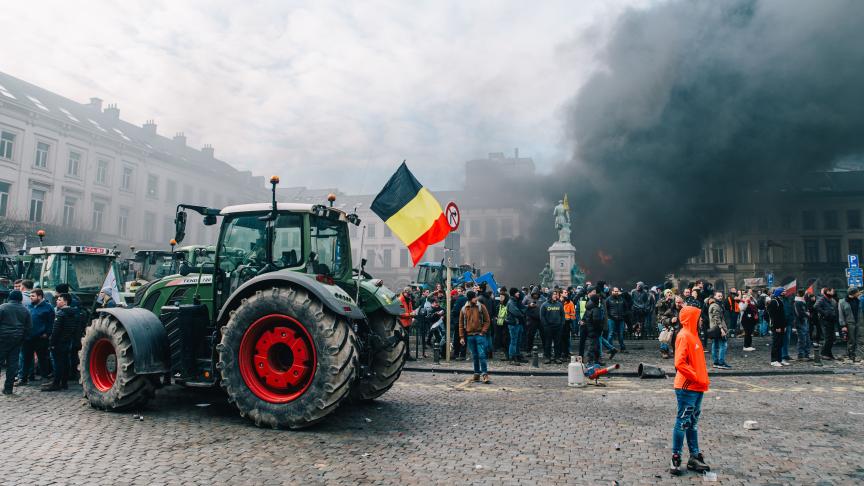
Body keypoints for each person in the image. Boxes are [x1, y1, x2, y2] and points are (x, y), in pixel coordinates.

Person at [669, 305, 711, 476]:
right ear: (691, 318)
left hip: (696, 386)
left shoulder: (692, 335)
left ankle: (694, 456)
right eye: (699, 316)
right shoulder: (685, 336)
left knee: (691, 423)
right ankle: (676, 456)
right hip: (688, 387)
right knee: (683, 422)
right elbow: (679, 363)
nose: (701, 319)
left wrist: (700, 379)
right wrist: (696, 376)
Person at [17, 288, 54, 385]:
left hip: (40, 338)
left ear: (40, 296)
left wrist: (47, 333)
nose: (31, 298)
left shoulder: (48, 307)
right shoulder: (29, 306)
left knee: (42, 359)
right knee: (26, 359)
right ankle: (23, 379)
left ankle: (44, 377)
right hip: (28, 338)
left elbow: (51, 322)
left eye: (33, 296)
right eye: (30, 296)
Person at [42, 293, 79, 391]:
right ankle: (64, 383)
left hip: (59, 342)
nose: (57, 301)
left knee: (58, 363)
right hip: (68, 341)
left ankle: (56, 383)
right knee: (66, 362)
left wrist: (51, 343)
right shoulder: (74, 313)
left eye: (59, 300)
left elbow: (56, 330)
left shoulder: (60, 313)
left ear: (65, 301)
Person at [0, 290, 32, 395]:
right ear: (21, 299)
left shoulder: (3, 307)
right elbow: (29, 327)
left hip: (3, 338)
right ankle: (8, 388)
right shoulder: (25, 310)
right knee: (13, 364)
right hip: (17, 339)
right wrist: (23, 338)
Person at [459, 290, 491, 383]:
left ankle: (485, 374)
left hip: (479, 335)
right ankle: (476, 374)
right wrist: (461, 337)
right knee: (475, 356)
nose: (476, 298)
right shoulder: (464, 309)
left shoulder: (481, 306)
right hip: (470, 336)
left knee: (482, 355)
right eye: (474, 297)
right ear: (470, 299)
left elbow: (487, 320)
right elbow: (461, 324)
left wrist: (483, 331)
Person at [539, 290, 565, 364]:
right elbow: (542, 316)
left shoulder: (559, 304)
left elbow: (563, 315)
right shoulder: (544, 305)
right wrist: (546, 326)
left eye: (556, 294)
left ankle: (557, 357)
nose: (555, 296)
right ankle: (547, 357)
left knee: (558, 343)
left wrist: (562, 324)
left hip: (558, 327)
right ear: (550, 295)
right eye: (554, 294)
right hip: (548, 327)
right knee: (548, 343)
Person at [837, 287, 862, 363]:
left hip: (858, 322)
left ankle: (856, 355)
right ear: (853, 293)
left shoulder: (858, 301)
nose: (859, 293)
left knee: (858, 339)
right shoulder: (842, 301)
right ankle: (850, 355)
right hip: (849, 323)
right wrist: (843, 325)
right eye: (857, 292)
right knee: (851, 340)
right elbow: (841, 314)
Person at [708, 292, 730, 369]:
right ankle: (720, 362)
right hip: (718, 328)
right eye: (718, 296)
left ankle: (716, 362)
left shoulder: (717, 304)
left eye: (721, 296)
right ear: (715, 296)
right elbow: (716, 318)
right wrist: (721, 329)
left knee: (715, 344)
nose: (720, 297)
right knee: (723, 344)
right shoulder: (715, 305)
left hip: (715, 328)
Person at [767, 288, 789, 367]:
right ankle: (774, 360)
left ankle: (779, 359)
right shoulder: (774, 302)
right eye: (783, 292)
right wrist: (777, 326)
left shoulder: (780, 301)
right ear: (779, 293)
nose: (785, 293)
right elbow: (773, 316)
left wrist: (784, 326)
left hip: (781, 326)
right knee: (776, 343)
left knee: (780, 343)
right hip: (777, 327)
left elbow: (782, 315)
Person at [815, 288, 838, 360]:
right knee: (828, 338)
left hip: (831, 320)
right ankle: (823, 353)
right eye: (831, 291)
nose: (833, 292)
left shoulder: (830, 299)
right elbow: (816, 306)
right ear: (827, 292)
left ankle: (828, 353)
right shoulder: (822, 299)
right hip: (825, 321)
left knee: (832, 338)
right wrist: (825, 313)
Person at [506, 288, 527, 364]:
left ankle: (517, 356)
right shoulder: (511, 302)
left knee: (518, 341)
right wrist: (522, 313)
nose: (518, 293)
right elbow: (517, 312)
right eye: (517, 292)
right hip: (513, 324)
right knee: (514, 341)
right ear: (514, 293)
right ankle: (512, 358)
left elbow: (522, 309)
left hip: (517, 323)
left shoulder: (515, 301)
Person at [605, 287, 627, 352]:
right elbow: (606, 309)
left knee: (621, 334)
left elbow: (626, 308)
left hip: (621, 319)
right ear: (612, 292)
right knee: (610, 334)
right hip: (611, 319)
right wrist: (609, 316)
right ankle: (610, 348)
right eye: (615, 291)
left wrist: (623, 315)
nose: (616, 292)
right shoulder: (608, 299)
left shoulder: (622, 299)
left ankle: (622, 348)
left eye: (617, 291)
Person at [397, 288, 416, 361]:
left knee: (407, 340)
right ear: (405, 292)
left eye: (410, 294)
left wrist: (412, 313)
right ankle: (404, 356)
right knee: (403, 340)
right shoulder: (400, 300)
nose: (409, 296)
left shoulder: (408, 300)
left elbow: (410, 309)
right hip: (402, 323)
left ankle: (407, 355)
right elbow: (400, 313)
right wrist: (410, 314)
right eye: (408, 294)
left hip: (407, 323)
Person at [793, 290, 812, 360]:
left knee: (807, 339)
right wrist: (807, 314)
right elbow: (799, 313)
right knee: (802, 340)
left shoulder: (802, 302)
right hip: (800, 322)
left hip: (804, 321)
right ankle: (801, 355)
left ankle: (806, 354)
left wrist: (807, 313)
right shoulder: (798, 303)